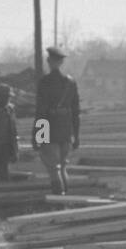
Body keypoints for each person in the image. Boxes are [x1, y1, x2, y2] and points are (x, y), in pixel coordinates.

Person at [33, 46, 80, 194]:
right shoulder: (71, 83)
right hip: (66, 131)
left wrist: (38, 137)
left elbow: (41, 112)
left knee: (54, 169)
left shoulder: (44, 83)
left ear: (49, 61)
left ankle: (59, 200)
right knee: (63, 167)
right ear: (61, 62)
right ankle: (67, 199)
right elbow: (76, 112)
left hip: (49, 130)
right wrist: (76, 136)